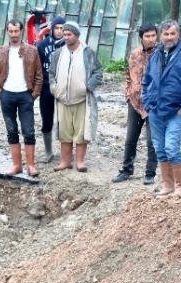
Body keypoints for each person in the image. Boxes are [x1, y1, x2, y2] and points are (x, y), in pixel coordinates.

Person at [142, 19, 181, 195]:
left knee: (171, 147)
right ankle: (167, 186)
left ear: (178, 34)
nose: (169, 37)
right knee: (160, 149)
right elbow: (146, 81)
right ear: (161, 36)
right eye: (166, 34)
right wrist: (148, 103)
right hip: (156, 111)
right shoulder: (155, 55)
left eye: (172, 34)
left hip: (176, 111)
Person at [0, 19, 43, 176]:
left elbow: (39, 76)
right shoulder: (0, 52)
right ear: (7, 32)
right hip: (7, 95)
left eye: (16, 31)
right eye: (11, 31)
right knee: (11, 130)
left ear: (21, 32)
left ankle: (31, 166)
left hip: (25, 95)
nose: (13, 34)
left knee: (28, 131)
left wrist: (33, 95)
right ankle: (16, 165)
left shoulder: (32, 51)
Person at [49, 21, 103, 172]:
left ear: (77, 35)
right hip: (62, 99)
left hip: (81, 99)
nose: (65, 37)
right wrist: (54, 88)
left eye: (69, 34)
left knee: (81, 132)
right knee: (64, 132)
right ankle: (65, 161)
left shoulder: (87, 52)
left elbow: (98, 72)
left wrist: (87, 87)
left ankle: (80, 162)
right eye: (64, 34)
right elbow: (51, 73)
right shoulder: (58, 53)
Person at [111, 22, 159, 185]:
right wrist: (128, 93)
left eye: (153, 35)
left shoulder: (161, 54)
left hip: (154, 104)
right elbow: (128, 76)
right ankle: (126, 170)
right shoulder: (135, 54)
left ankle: (150, 173)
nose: (151, 39)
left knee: (152, 141)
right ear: (141, 38)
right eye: (147, 36)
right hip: (134, 102)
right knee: (131, 138)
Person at [36, 16, 66, 163]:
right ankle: (48, 151)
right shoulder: (42, 46)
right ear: (52, 29)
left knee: (64, 121)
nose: (59, 31)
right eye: (57, 28)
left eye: (62, 28)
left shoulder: (69, 44)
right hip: (46, 87)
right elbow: (37, 68)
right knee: (47, 119)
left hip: (64, 89)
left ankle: (65, 154)